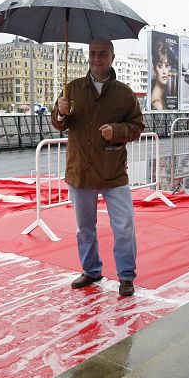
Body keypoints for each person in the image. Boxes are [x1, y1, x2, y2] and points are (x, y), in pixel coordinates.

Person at [53, 38, 144, 297]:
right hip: (80, 171)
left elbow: (137, 127)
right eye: (92, 54)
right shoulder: (72, 88)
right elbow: (59, 123)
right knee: (85, 227)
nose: (96, 59)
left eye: (102, 54)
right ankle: (91, 270)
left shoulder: (124, 94)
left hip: (113, 172)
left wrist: (116, 131)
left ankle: (126, 276)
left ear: (112, 57)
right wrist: (61, 112)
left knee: (124, 225)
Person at [150, 36, 173, 110]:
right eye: (160, 66)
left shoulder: (163, 96)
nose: (164, 71)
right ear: (154, 69)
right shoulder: (157, 104)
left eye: (166, 65)